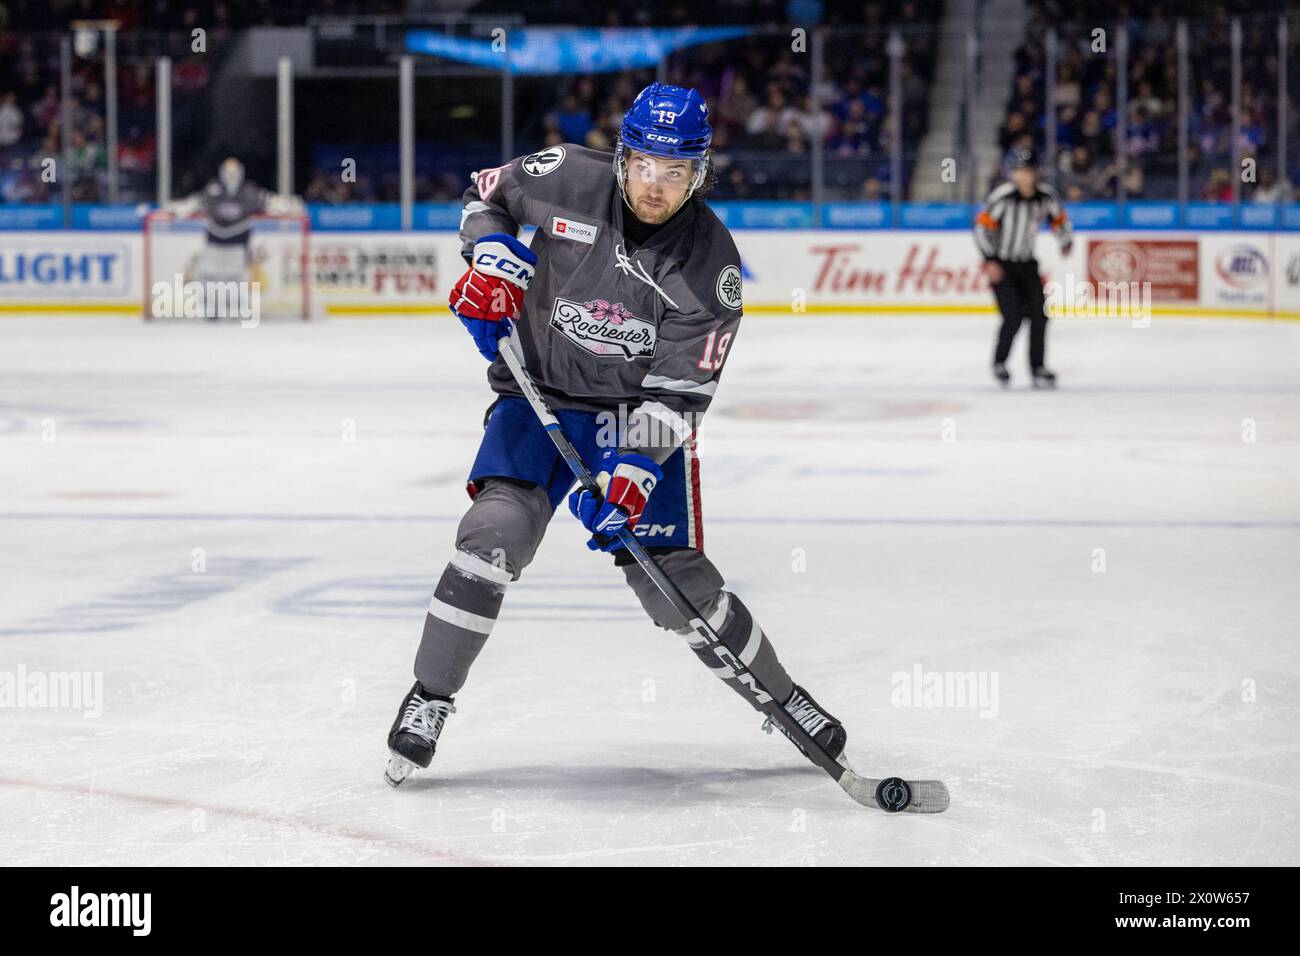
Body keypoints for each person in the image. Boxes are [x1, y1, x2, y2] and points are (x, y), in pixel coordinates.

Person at [385, 83, 847, 786]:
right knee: (493, 534)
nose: (655, 186)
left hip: (631, 419)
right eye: (644, 166)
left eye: (676, 172)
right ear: (622, 156)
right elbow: (485, 196)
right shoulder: (566, 175)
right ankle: (429, 698)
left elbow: (680, 392)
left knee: (674, 590)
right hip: (536, 394)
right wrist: (488, 253)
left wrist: (633, 474)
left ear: (701, 174)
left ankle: (784, 700)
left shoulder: (711, 264)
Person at [974, 147, 1073, 388]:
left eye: (1027, 171)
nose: (1023, 177)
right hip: (1003, 264)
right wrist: (990, 259)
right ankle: (1000, 363)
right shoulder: (1002, 197)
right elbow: (981, 227)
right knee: (1013, 316)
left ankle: (1037, 367)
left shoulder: (1045, 197)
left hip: (1027, 264)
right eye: (1019, 171)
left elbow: (1059, 219)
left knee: (1040, 316)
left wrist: (1065, 240)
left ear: (1035, 173)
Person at [163, 157, 301, 317]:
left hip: (238, 243)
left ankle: (236, 308)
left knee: (235, 277)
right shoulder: (213, 188)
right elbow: (195, 202)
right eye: (228, 172)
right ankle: (211, 309)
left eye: (234, 173)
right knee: (208, 275)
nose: (231, 176)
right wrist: (177, 208)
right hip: (214, 242)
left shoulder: (250, 191)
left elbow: (270, 202)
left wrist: (289, 206)